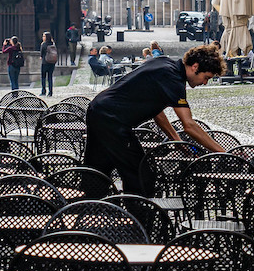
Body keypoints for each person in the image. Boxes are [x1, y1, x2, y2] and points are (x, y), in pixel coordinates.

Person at [84, 43, 227, 195]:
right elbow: (189, 125)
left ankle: (88, 210)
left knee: (97, 171)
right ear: (195, 67)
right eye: (206, 78)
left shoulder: (165, 63)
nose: (204, 83)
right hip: (111, 119)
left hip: (99, 110)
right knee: (141, 174)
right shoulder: (173, 79)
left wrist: (176, 140)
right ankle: (138, 216)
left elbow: (157, 112)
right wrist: (223, 152)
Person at [39, 31, 58, 96]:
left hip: (45, 62)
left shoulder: (43, 44)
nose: (43, 37)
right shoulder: (53, 44)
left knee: (43, 77)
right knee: (50, 77)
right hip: (52, 62)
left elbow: (41, 54)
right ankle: (50, 92)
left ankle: (43, 91)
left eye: (44, 36)